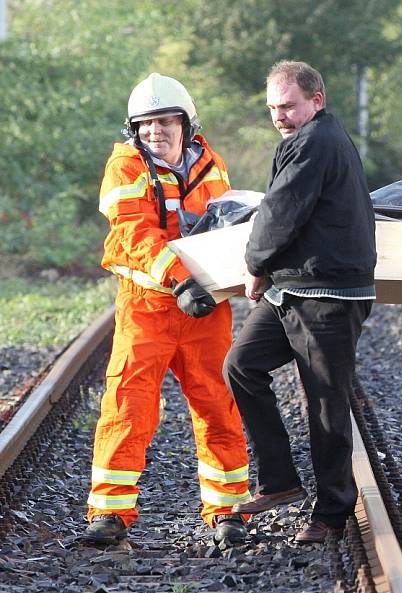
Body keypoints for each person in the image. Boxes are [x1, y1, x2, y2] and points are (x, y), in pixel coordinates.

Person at [85, 73, 251, 546]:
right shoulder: (125, 166)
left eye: (164, 121)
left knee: (218, 403)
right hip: (148, 308)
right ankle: (110, 512)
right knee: (128, 404)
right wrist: (180, 279)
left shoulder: (212, 164)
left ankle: (228, 510)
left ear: (186, 124)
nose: (155, 131)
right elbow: (134, 233)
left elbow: (225, 220)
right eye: (145, 123)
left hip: (205, 308)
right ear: (133, 129)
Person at [223, 61, 376, 544]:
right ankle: (282, 480)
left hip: (329, 292)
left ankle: (332, 514)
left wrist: (253, 264)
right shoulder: (305, 140)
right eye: (273, 108)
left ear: (318, 99)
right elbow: (282, 208)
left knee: (326, 402)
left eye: (288, 105)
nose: (280, 116)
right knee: (242, 365)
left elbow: (282, 211)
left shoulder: (316, 143)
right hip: (295, 287)